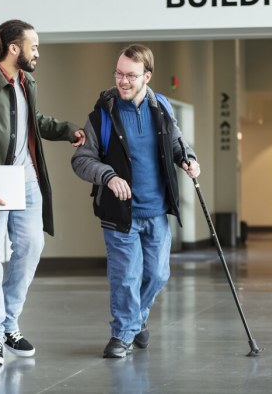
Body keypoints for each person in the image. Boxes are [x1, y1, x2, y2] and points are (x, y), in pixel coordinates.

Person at [0, 19, 86, 366]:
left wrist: (68, 131)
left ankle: (8, 324)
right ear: (14, 49)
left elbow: (31, 120)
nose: (38, 52)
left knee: (32, 246)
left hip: (26, 181)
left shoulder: (26, 82)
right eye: (33, 46)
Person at [71, 44, 200, 358]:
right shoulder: (103, 113)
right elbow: (81, 160)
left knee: (157, 274)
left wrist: (188, 159)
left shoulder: (162, 107)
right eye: (118, 73)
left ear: (147, 76)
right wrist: (108, 176)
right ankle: (122, 334)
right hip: (120, 214)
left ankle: (137, 320)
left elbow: (177, 142)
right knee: (126, 276)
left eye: (130, 75)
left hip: (157, 211)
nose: (123, 81)